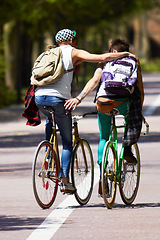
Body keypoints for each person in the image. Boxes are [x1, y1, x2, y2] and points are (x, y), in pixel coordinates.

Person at [34, 31, 137, 194]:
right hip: (58, 100)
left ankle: (48, 153)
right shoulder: (74, 51)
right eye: (75, 39)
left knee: (50, 119)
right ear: (71, 40)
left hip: (39, 97)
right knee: (67, 143)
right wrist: (126, 53)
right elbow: (102, 58)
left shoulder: (47, 53)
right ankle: (65, 181)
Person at [65, 38, 144, 195]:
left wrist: (79, 98)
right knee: (131, 122)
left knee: (104, 138)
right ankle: (127, 149)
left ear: (113, 51)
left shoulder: (105, 63)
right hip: (123, 103)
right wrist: (139, 111)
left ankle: (102, 176)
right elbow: (139, 88)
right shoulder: (133, 61)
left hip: (104, 102)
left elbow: (94, 81)